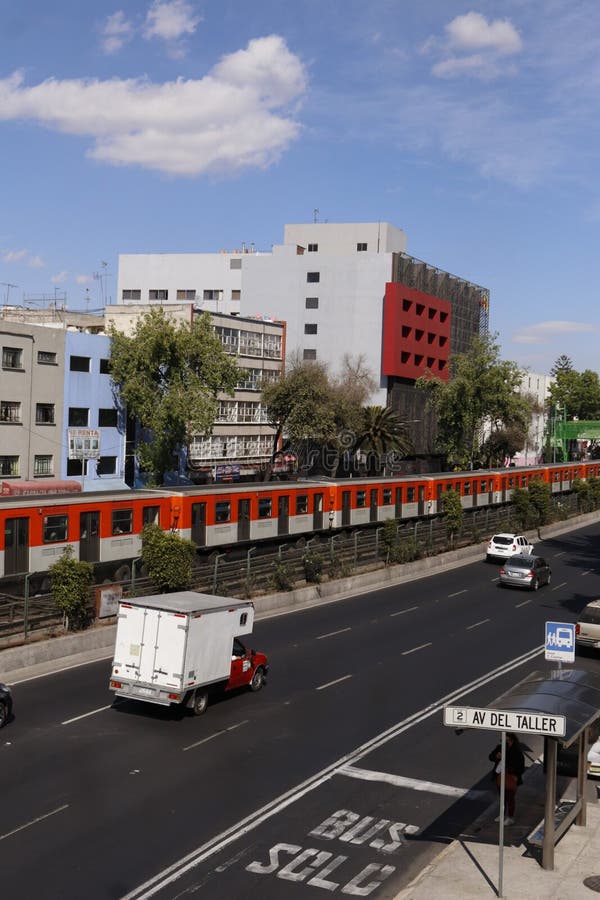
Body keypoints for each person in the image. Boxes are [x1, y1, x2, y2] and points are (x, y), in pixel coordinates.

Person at [489, 733, 525, 825]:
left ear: (511, 739)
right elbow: (491, 757)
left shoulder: (517, 751)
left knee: (510, 798)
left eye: (505, 738)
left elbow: (520, 767)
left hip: (510, 777)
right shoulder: (500, 747)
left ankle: (510, 817)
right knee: (502, 797)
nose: (503, 740)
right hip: (500, 776)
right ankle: (502, 815)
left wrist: (515, 775)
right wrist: (496, 756)